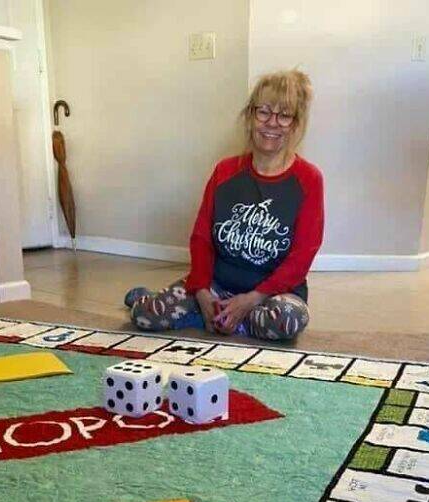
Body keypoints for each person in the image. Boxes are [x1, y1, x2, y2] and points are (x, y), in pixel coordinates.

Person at [125, 69, 324, 341]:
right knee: (145, 315)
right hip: (216, 287)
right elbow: (201, 238)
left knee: (288, 320)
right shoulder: (225, 171)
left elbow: (302, 257)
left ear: (295, 123)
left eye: (284, 115)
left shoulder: (309, 179)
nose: (272, 123)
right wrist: (204, 293)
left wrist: (251, 300)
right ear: (250, 116)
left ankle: (221, 318)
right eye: (263, 111)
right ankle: (198, 310)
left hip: (271, 297)